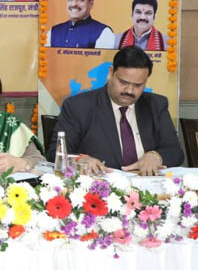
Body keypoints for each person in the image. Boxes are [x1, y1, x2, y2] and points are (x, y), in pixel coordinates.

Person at [46, 46, 183, 175]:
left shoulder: (156, 105)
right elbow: (55, 154)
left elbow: (175, 151)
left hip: (147, 183)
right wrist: (80, 159)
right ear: (111, 73)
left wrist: (156, 156)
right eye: (123, 82)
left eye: (138, 85)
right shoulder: (79, 106)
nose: (129, 91)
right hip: (101, 185)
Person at [49, 0, 114, 49]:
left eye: (80, 0)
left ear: (91, 3)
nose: (74, 4)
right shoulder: (53, 32)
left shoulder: (104, 32)